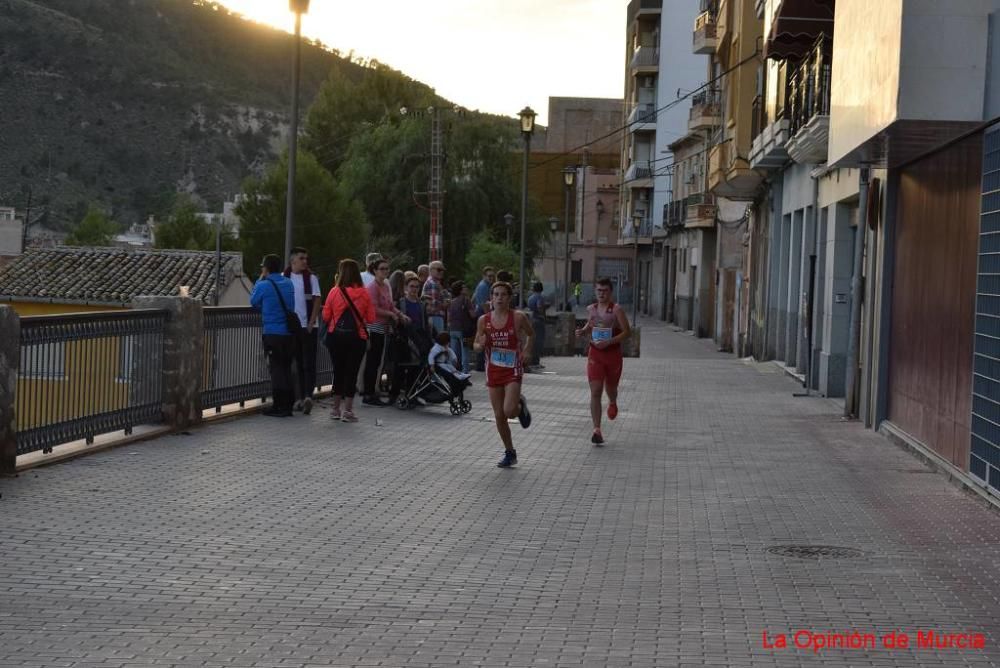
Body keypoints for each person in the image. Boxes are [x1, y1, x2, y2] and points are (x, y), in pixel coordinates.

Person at [473, 281, 534, 468]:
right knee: (499, 415)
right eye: (496, 295)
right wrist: (480, 345)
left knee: (508, 411)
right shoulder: (484, 320)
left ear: (509, 298)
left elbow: (531, 334)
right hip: (493, 370)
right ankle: (510, 452)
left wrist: (527, 350)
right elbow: (475, 344)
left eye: (503, 295)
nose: (499, 298)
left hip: (512, 369)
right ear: (491, 298)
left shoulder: (518, 317)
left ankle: (519, 405)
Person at [574, 277, 632, 445]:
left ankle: (613, 401)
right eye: (599, 290)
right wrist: (583, 331)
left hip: (612, 355)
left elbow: (627, 332)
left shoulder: (616, 310)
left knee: (611, 388)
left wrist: (609, 341)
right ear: (595, 291)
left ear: (610, 292)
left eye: (605, 291)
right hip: (595, 354)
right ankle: (597, 430)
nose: (601, 294)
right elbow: (591, 325)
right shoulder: (591, 309)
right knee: (596, 390)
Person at [322, 259, 375, 422]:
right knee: (351, 373)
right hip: (357, 338)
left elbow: (326, 316)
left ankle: (335, 410)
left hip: (335, 337)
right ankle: (348, 411)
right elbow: (371, 319)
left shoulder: (334, 291)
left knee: (338, 371)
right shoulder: (364, 293)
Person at [249, 254, 296, 417]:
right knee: (286, 368)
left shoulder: (264, 285)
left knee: (276, 370)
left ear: (266, 268)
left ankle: (279, 406)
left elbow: (253, 301)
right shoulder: (289, 283)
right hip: (289, 334)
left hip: (272, 333)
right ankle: (289, 404)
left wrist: (260, 279)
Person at [363, 257, 409, 406]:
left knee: (379, 362)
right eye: (382, 269)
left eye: (387, 269)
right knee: (372, 361)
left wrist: (400, 314)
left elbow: (389, 305)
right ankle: (368, 393)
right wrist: (391, 315)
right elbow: (374, 308)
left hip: (384, 329)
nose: (385, 272)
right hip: (374, 327)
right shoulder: (372, 287)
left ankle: (373, 391)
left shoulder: (385, 286)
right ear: (375, 271)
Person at [283, 246, 321, 415]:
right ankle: (297, 397)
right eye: (301, 258)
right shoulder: (285, 278)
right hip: (292, 327)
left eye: (306, 258)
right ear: (293, 261)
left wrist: (312, 322)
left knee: (309, 363)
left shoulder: (311, 278)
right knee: (295, 363)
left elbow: (317, 299)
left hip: (308, 327)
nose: (305, 261)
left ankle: (308, 396)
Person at [428, 331, 472, 396]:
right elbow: (431, 356)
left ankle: (460, 375)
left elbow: (451, 353)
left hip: (445, 363)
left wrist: (454, 360)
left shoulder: (446, 348)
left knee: (451, 368)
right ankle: (458, 376)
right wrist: (432, 365)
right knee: (449, 370)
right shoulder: (436, 348)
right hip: (439, 364)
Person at [447, 280, 476, 374]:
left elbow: (448, 317)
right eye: (464, 287)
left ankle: (454, 373)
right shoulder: (466, 300)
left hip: (452, 330)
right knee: (465, 353)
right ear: (460, 290)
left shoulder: (451, 302)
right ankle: (465, 373)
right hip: (463, 330)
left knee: (454, 354)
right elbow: (473, 315)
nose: (466, 289)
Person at [472, 266, 495, 372]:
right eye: (489, 276)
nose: (491, 278)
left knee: (483, 339)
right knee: (482, 339)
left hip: (481, 315)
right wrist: (490, 317)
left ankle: (481, 364)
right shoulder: (484, 286)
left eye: (492, 276)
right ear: (484, 276)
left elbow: (473, 299)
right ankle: (480, 364)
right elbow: (484, 305)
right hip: (483, 316)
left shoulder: (483, 285)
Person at [421, 260, 449, 335]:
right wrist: (445, 304)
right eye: (439, 270)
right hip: (434, 316)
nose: (441, 272)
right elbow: (433, 304)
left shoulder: (436, 283)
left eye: (442, 270)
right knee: (438, 342)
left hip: (434, 317)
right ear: (431, 270)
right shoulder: (433, 283)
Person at [526, 281, 547, 370]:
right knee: (538, 341)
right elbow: (539, 306)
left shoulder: (530, 298)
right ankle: (535, 362)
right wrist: (543, 313)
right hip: (539, 320)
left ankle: (531, 361)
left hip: (532, 319)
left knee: (533, 341)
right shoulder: (540, 297)